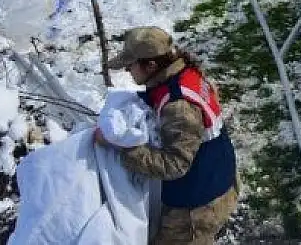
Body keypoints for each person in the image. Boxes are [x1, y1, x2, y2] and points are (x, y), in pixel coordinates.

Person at [96, 27, 238, 245]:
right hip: (217, 179)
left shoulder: (178, 106)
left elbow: (175, 164)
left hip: (197, 209)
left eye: (131, 64)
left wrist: (120, 146)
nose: (126, 69)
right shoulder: (185, 72)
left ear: (151, 65)